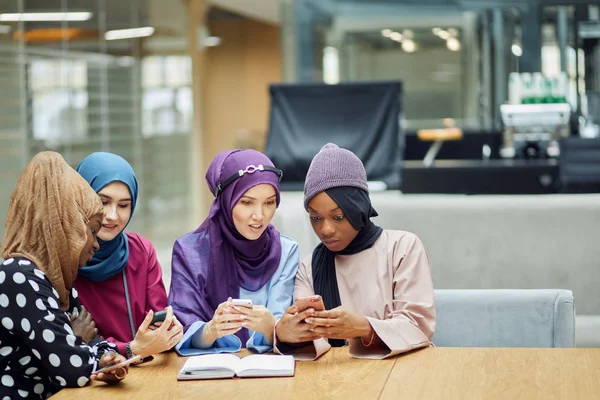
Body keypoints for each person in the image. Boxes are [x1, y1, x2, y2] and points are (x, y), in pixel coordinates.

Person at [274, 143, 435, 360]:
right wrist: (285, 334)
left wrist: (364, 328)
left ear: (358, 208)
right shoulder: (309, 267)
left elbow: (418, 326)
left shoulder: (402, 248)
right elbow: (314, 345)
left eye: (338, 217)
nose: (325, 229)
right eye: (315, 217)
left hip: (402, 377)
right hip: (335, 384)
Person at [0, 151, 128, 399]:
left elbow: (95, 341)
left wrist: (106, 358)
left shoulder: (56, 282)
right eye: (91, 230)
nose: (95, 244)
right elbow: (70, 369)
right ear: (66, 227)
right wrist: (76, 340)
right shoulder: (18, 277)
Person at [169, 149, 299, 355]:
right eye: (247, 202)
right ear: (226, 201)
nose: (260, 215)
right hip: (208, 375)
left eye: (269, 202)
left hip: (271, 374)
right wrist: (210, 331)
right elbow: (181, 328)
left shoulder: (286, 250)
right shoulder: (189, 252)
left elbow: (284, 327)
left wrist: (270, 326)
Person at [74, 152, 183, 360]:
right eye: (103, 202)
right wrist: (131, 348)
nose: (113, 215)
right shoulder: (65, 257)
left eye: (123, 205)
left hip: (144, 374)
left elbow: (157, 321)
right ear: (81, 198)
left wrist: (168, 331)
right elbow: (70, 340)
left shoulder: (140, 250)